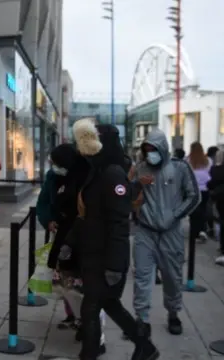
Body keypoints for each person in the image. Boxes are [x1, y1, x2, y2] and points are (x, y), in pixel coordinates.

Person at [66, 119, 159, 360]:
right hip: (95, 252)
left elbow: (119, 221)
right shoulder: (97, 172)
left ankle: (89, 354)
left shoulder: (112, 174)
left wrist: (115, 266)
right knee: (109, 305)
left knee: (91, 308)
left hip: (106, 257)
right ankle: (145, 347)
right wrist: (70, 242)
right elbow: (90, 214)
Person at [132, 129, 200, 336]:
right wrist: (136, 188)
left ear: (162, 148)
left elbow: (194, 196)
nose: (150, 152)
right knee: (142, 277)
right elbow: (127, 194)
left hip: (171, 233)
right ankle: (141, 319)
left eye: (153, 148)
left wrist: (175, 215)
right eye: (147, 149)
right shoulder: (139, 169)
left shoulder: (179, 168)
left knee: (172, 277)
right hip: (145, 232)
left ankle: (173, 313)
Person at [36, 144, 89, 329]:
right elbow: (43, 202)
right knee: (63, 278)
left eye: (57, 162)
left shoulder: (84, 175)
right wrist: (48, 220)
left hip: (80, 236)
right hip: (60, 235)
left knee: (77, 279)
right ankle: (71, 314)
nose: (54, 166)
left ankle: (84, 318)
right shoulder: (53, 177)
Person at [187, 142, 212, 244]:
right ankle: (202, 229)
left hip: (193, 189)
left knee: (193, 212)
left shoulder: (188, 160)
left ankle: (194, 232)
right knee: (203, 209)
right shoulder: (208, 161)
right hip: (205, 188)